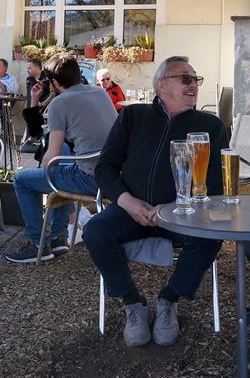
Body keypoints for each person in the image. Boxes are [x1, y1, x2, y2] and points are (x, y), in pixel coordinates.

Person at [83, 55, 226, 348]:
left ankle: (168, 300)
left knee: (211, 236)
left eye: (195, 79)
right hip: (130, 209)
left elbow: (216, 182)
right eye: (185, 78)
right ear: (162, 85)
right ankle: (133, 303)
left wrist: (172, 208)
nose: (193, 85)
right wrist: (127, 202)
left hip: (181, 213)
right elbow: (105, 167)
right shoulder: (133, 116)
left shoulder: (210, 126)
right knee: (95, 231)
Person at [4, 53, 117, 263]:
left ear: (54, 82)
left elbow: (52, 155)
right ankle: (58, 237)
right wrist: (35, 102)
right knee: (63, 169)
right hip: (115, 175)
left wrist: (44, 170)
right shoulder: (99, 93)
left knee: (22, 180)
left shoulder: (60, 103)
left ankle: (38, 243)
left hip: (92, 179)